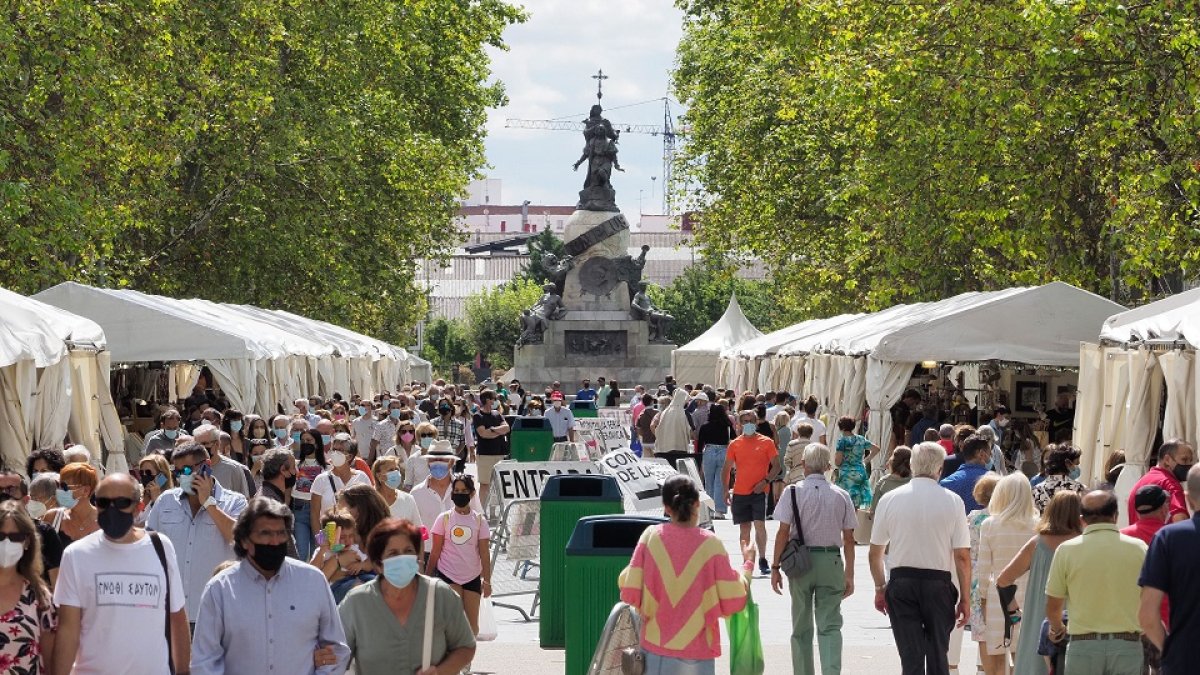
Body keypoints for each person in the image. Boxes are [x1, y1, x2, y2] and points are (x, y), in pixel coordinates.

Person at [191, 498, 349, 675]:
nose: (275, 541)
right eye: (265, 533)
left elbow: (337, 650)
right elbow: (204, 661)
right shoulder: (220, 590)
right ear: (244, 540)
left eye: (281, 533)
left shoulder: (313, 581)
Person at [53, 473, 190, 675]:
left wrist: (184, 671)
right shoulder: (76, 554)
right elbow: (67, 630)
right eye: (103, 502)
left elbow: (176, 616)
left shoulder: (161, 547)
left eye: (121, 502)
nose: (112, 510)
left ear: (138, 507)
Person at [619, 476, 752, 675]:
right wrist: (748, 565)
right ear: (698, 504)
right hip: (699, 653)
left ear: (666, 507)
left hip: (656, 649)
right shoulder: (711, 545)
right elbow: (734, 598)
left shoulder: (651, 537)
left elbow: (629, 589)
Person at [868, 442, 972, 675]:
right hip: (938, 583)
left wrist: (880, 587)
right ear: (940, 468)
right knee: (938, 654)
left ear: (913, 466)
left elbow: (875, 553)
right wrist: (965, 597)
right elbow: (962, 556)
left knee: (910, 656)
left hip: (902, 581)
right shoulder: (953, 501)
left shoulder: (890, 499)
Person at [339, 518, 476, 674]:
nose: (402, 559)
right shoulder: (357, 603)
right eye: (393, 553)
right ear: (378, 564)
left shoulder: (441, 595)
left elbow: (465, 647)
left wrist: (440, 672)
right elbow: (337, 654)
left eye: (408, 551)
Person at [769, 443, 857, 675]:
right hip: (831, 561)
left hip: (800, 563)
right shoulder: (842, 495)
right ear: (827, 466)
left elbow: (782, 533)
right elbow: (849, 539)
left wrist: (775, 566)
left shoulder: (792, 492)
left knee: (801, 626)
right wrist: (849, 574)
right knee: (830, 625)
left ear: (803, 464)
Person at [146, 441, 248, 626]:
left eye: (186, 470)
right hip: (173, 613)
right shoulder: (165, 501)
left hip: (216, 613)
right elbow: (148, 547)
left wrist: (208, 503)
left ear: (206, 466)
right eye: (177, 472)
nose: (181, 477)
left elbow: (238, 539)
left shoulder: (235, 502)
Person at [1045, 491, 1147, 674]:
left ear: (1081, 520)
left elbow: (1053, 607)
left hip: (1083, 646)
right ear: (1116, 516)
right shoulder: (1140, 548)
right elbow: (1150, 598)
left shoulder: (1066, 550)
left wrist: (1058, 629)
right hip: (1127, 644)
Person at [995, 490, 1083, 675]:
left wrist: (1013, 610)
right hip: (1074, 622)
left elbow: (1003, 580)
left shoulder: (1037, 543)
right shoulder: (1083, 545)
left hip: (1037, 622)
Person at [1139, 464, 1200, 675]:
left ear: (1188, 499)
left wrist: (1170, 652)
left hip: (1185, 659)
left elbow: (1147, 614)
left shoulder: (1168, 538)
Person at [975, 474, 1039, 675]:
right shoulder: (1038, 526)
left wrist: (983, 599)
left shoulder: (990, 525)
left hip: (998, 597)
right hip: (1029, 597)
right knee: (1023, 658)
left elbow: (984, 568)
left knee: (997, 659)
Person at [426, 475, 491, 636]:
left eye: (464, 491)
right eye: (456, 490)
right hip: (448, 574)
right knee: (452, 621)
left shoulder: (479, 521)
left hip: (472, 576)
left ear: (472, 493)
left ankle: (467, 652)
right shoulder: (444, 519)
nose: (459, 494)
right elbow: (435, 551)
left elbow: (484, 552)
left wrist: (487, 581)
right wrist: (427, 577)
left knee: (472, 626)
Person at [0, 500, 56, 674]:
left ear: (27, 542)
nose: (6, 543)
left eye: (15, 537)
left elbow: (49, 661)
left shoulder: (40, 597)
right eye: (0, 536)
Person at [724, 408, 781, 576]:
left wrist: (765, 481)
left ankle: (762, 558)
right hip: (740, 492)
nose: (748, 424)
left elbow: (777, 466)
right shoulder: (735, 444)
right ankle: (747, 561)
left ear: (756, 423)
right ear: (739, 424)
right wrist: (725, 490)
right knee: (744, 529)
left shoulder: (766, 442)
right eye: (744, 421)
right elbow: (726, 469)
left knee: (759, 524)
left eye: (750, 421)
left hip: (759, 491)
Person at [964, 472, 1001, 670]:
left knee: (983, 634)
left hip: (977, 580)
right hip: (1002, 577)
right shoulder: (1005, 520)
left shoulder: (973, 518)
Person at [411, 444, 482, 533]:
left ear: (452, 462)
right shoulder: (416, 494)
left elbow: (479, 520)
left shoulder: (466, 490)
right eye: (433, 460)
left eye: (442, 460)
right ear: (428, 463)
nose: (437, 463)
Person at [310, 433, 372, 531]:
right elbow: (315, 514)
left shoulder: (362, 477)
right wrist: (320, 539)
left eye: (340, 450)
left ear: (349, 456)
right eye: (334, 449)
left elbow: (369, 508)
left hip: (355, 534)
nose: (335, 453)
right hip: (330, 534)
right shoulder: (321, 479)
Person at [1129, 439, 1194, 526]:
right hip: (1161, 534)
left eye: (1190, 461)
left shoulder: (1141, 482)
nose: (1189, 465)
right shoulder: (1171, 484)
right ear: (1167, 460)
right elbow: (1181, 521)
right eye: (1184, 460)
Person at [42, 463, 100, 550]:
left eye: (64, 486)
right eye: (58, 485)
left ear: (85, 491)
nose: (59, 491)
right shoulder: (52, 517)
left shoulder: (104, 521)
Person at [291, 427, 328, 561]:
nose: (305, 443)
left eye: (309, 440)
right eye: (303, 441)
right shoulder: (295, 464)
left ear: (317, 443)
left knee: (319, 549)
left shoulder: (327, 467)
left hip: (319, 514)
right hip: (300, 511)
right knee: (301, 551)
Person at [697, 402, 736, 520]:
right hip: (724, 451)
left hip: (709, 451)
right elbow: (734, 439)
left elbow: (700, 444)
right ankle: (719, 510)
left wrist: (700, 457)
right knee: (721, 481)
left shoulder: (705, 426)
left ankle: (709, 509)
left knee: (709, 482)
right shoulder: (727, 426)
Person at [193, 425, 254, 497]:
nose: (200, 448)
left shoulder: (233, 469)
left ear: (217, 444)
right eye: (196, 445)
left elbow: (244, 499)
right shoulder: (191, 468)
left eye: (204, 444)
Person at [472, 390, 510, 503]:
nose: (495, 401)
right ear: (488, 400)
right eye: (494, 398)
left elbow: (506, 428)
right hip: (485, 455)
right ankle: (482, 510)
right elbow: (483, 434)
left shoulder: (497, 414)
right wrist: (499, 431)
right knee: (485, 484)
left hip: (499, 454)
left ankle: (495, 510)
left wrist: (492, 429)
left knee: (498, 485)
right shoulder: (478, 416)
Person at [940, 435, 994, 514]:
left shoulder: (946, 484)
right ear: (981, 454)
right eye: (989, 453)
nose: (990, 457)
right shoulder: (995, 483)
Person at [834, 415, 879, 509]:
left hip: (846, 474)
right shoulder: (861, 439)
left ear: (841, 427)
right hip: (860, 472)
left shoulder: (842, 441)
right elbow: (876, 449)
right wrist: (866, 460)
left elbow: (838, 461)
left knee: (845, 503)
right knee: (857, 504)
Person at [1031, 444, 1086, 512]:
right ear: (1068, 463)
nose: (1075, 468)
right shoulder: (1079, 489)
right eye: (1076, 464)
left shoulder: (1036, 490)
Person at [371, 456, 423, 526]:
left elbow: (418, 528)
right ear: (379, 475)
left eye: (397, 469)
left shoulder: (408, 499)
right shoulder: (369, 500)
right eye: (391, 470)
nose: (395, 472)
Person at [869, 446, 912, 519]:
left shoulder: (883, 482)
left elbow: (872, 512)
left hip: (886, 522)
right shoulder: (914, 482)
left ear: (892, 462)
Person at [136, 455, 174, 523]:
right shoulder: (143, 495)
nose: (144, 476)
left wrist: (156, 500)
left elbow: (162, 522)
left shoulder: (171, 498)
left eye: (148, 472)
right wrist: (145, 500)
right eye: (141, 473)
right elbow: (135, 516)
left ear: (162, 476)